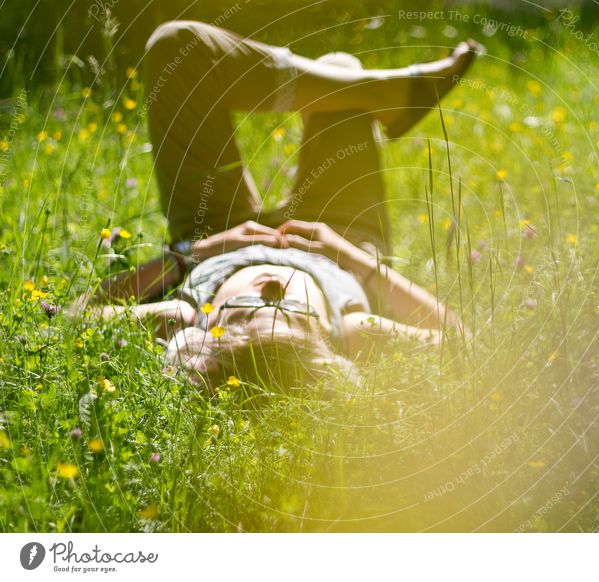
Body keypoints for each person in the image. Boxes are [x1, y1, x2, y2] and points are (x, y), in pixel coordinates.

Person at [85, 20, 478, 391]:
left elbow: (76, 316)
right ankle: (383, 92)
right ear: (323, 332)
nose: (271, 285)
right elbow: (460, 342)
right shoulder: (353, 330)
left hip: (216, 230)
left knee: (178, 48)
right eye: (289, 311)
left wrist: (189, 255)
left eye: (248, 310)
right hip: (340, 231)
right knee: (338, 66)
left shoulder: (182, 320)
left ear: (209, 329)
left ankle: (383, 91)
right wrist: (345, 253)